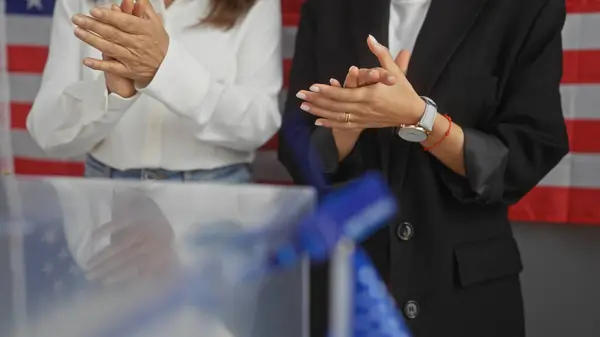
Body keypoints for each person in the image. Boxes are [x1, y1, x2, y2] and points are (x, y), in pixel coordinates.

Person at [279, 0, 569, 336]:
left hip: (465, 296)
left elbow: (527, 153)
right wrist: (350, 122)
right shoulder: (328, 7)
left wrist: (421, 118)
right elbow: (296, 146)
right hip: (348, 289)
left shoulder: (526, 7)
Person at [27, 0, 282, 183]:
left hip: (217, 203)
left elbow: (257, 126)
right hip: (105, 199)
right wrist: (109, 93)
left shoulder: (256, 4)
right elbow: (49, 134)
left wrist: (165, 69)